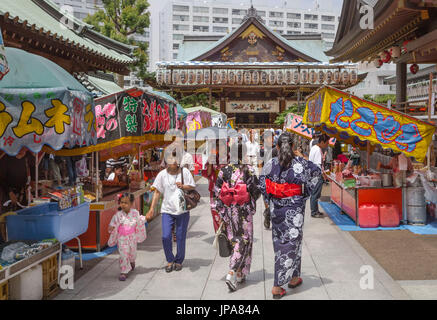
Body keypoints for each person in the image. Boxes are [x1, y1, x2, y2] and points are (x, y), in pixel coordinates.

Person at [259, 132, 322, 299]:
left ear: (277, 146)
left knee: (283, 242)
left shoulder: (271, 163)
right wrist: (304, 194)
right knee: (290, 243)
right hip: (295, 209)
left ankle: (294, 277)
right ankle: (277, 286)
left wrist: (269, 199)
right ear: (294, 147)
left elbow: (262, 184)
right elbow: (317, 173)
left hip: (276, 209)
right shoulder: (302, 163)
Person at [212, 140, 261, 292]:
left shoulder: (224, 170)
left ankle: (240, 273)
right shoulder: (249, 170)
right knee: (244, 241)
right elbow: (256, 191)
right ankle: (233, 272)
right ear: (244, 153)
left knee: (235, 241)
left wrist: (221, 211)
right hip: (244, 211)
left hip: (229, 210)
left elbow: (216, 191)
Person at [146, 150, 196, 273]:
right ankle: (169, 259)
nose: (170, 162)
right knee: (166, 236)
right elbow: (157, 192)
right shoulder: (162, 174)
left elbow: (192, 186)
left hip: (182, 210)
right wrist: (152, 208)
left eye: (172, 159)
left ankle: (178, 260)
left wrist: (184, 186)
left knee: (180, 237)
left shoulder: (185, 172)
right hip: (167, 210)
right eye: (167, 159)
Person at [108, 193, 147, 281]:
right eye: (121, 202)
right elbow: (112, 224)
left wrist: (145, 218)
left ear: (131, 203)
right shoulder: (118, 215)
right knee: (123, 254)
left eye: (126, 203)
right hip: (122, 238)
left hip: (132, 237)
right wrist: (111, 227)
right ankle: (124, 271)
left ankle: (132, 261)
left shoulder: (135, 213)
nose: (123, 205)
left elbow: (139, 220)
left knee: (132, 253)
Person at [202, 140, 227, 233]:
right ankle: (219, 234)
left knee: (226, 212)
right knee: (215, 211)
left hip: (226, 191)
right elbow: (208, 173)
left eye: (221, 146)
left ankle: (227, 233)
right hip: (214, 190)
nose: (219, 148)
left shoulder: (229, 158)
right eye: (217, 146)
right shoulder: (212, 158)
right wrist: (211, 162)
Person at [309, 134, 330, 218]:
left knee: (314, 193)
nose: (327, 145)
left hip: (313, 174)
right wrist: (323, 175)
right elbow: (318, 165)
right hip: (316, 175)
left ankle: (315, 210)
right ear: (322, 142)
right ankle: (314, 212)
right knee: (315, 194)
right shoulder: (318, 150)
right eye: (326, 143)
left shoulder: (314, 148)